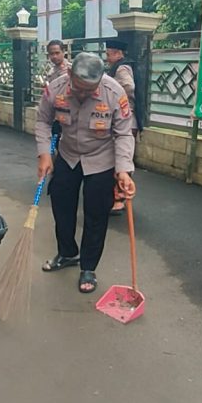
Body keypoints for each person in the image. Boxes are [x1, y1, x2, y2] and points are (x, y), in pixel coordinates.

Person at [36, 53, 137, 294]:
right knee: (61, 207)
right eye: (79, 89)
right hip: (68, 155)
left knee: (96, 214)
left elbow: (124, 133)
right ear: (70, 74)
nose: (83, 95)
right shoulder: (55, 88)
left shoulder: (114, 93)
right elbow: (43, 120)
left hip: (101, 159)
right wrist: (44, 154)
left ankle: (88, 267)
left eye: (90, 90)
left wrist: (123, 170)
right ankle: (68, 253)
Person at [105, 38, 143, 215]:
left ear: (116, 53)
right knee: (119, 159)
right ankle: (118, 197)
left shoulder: (122, 68)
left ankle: (120, 200)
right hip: (126, 120)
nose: (107, 58)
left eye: (108, 54)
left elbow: (129, 86)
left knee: (121, 159)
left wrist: (118, 99)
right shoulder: (123, 66)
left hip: (126, 121)